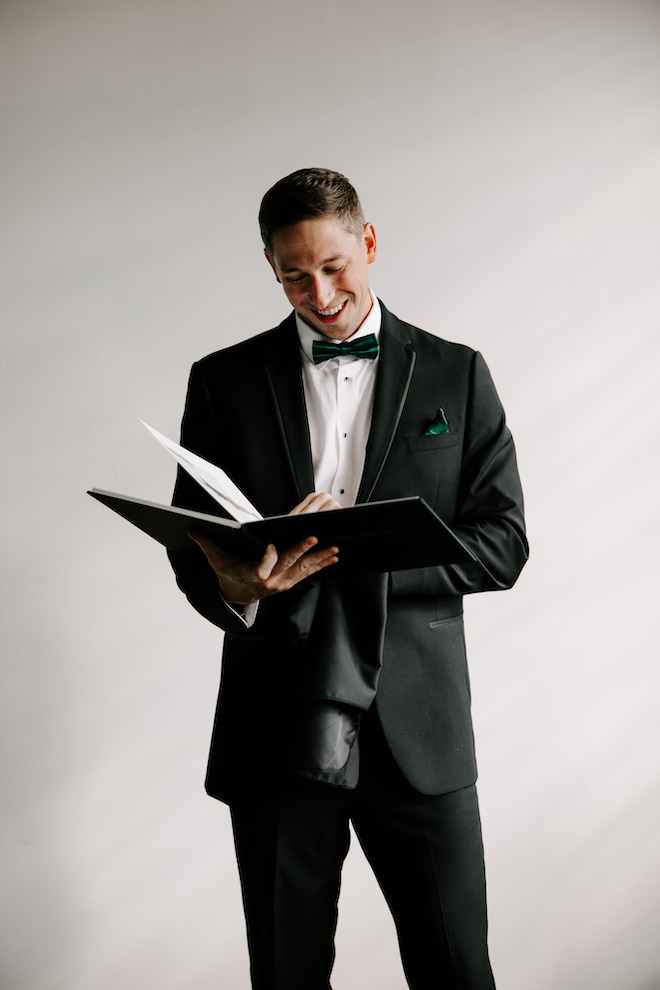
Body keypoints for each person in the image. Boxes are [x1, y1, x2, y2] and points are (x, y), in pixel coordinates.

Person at [168, 167, 528, 990]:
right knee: (286, 974)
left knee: (456, 971)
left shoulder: (457, 373)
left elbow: (503, 543)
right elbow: (194, 547)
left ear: (368, 242)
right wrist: (240, 587)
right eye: (295, 276)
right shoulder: (221, 381)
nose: (320, 294)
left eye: (334, 267)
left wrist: (363, 548)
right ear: (270, 265)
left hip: (419, 726)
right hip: (276, 721)